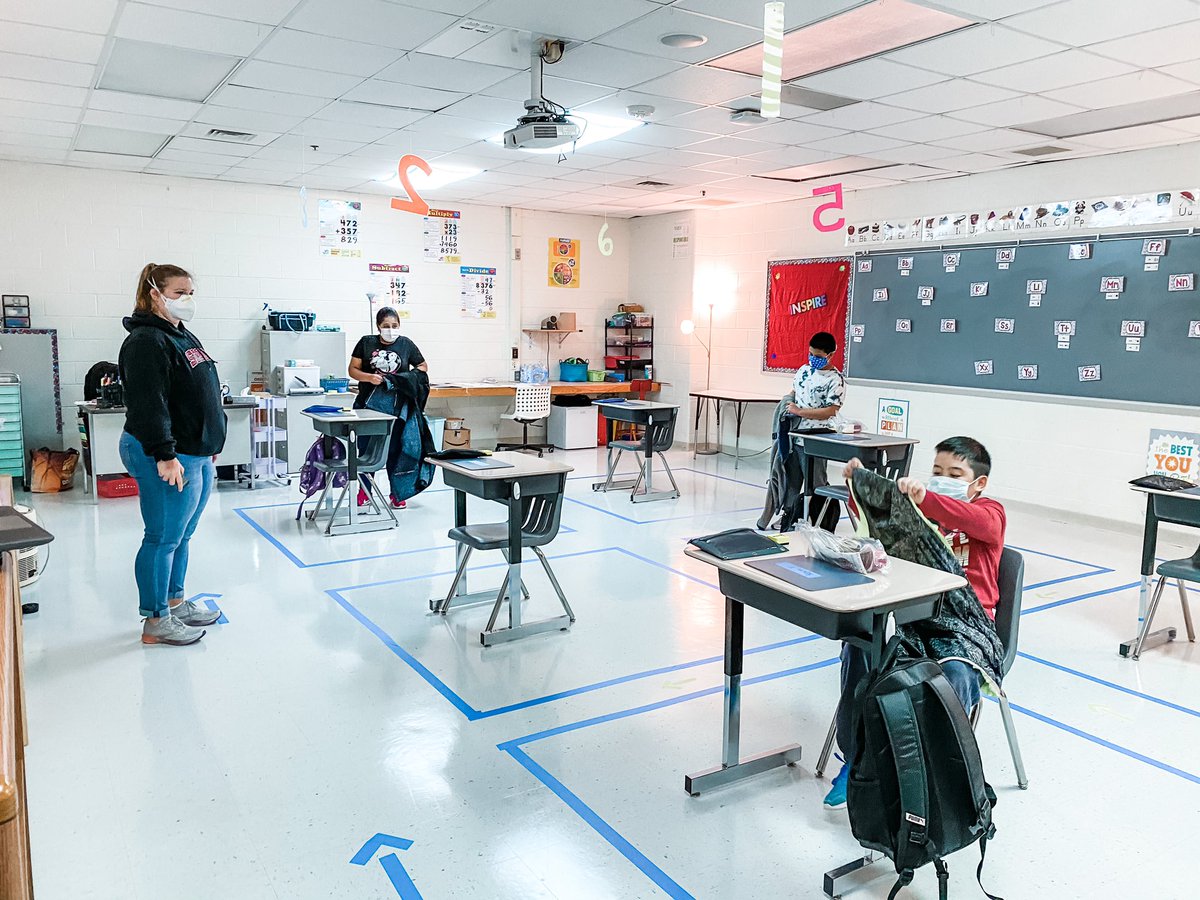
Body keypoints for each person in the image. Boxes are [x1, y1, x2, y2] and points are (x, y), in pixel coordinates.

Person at [824, 436, 1005, 808]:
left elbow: (976, 521)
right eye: (937, 471)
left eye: (955, 474)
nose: (942, 478)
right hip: (915, 616)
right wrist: (859, 488)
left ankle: (928, 779)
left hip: (968, 627)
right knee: (860, 647)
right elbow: (881, 526)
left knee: (952, 674)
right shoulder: (921, 512)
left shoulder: (991, 512)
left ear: (979, 482)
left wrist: (927, 499)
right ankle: (859, 762)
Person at [119, 263, 226, 646]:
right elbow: (149, 404)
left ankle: (175, 603)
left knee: (182, 535)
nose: (187, 300)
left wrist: (209, 443)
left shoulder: (180, 335)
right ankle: (156, 620)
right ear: (154, 294)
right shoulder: (146, 341)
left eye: (190, 293)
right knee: (162, 537)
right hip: (167, 454)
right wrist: (165, 455)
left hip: (195, 453)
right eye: (179, 293)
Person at [348, 307, 427, 509]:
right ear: (378, 327)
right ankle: (364, 491)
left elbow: (422, 366)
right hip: (368, 406)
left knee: (396, 450)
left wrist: (405, 379)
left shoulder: (406, 344)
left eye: (394, 325)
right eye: (386, 326)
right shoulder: (366, 343)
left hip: (396, 408)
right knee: (366, 450)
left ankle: (397, 492)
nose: (391, 330)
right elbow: (353, 370)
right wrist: (369, 378)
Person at [772, 331, 846, 531]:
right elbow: (794, 393)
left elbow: (831, 410)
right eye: (811, 354)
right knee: (791, 480)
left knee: (815, 483)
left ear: (830, 355)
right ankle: (790, 517)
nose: (813, 359)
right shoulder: (804, 371)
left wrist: (800, 412)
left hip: (816, 439)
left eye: (818, 356)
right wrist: (787, 405)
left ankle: (819, 521)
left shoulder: (835, 380)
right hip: (794, 436)